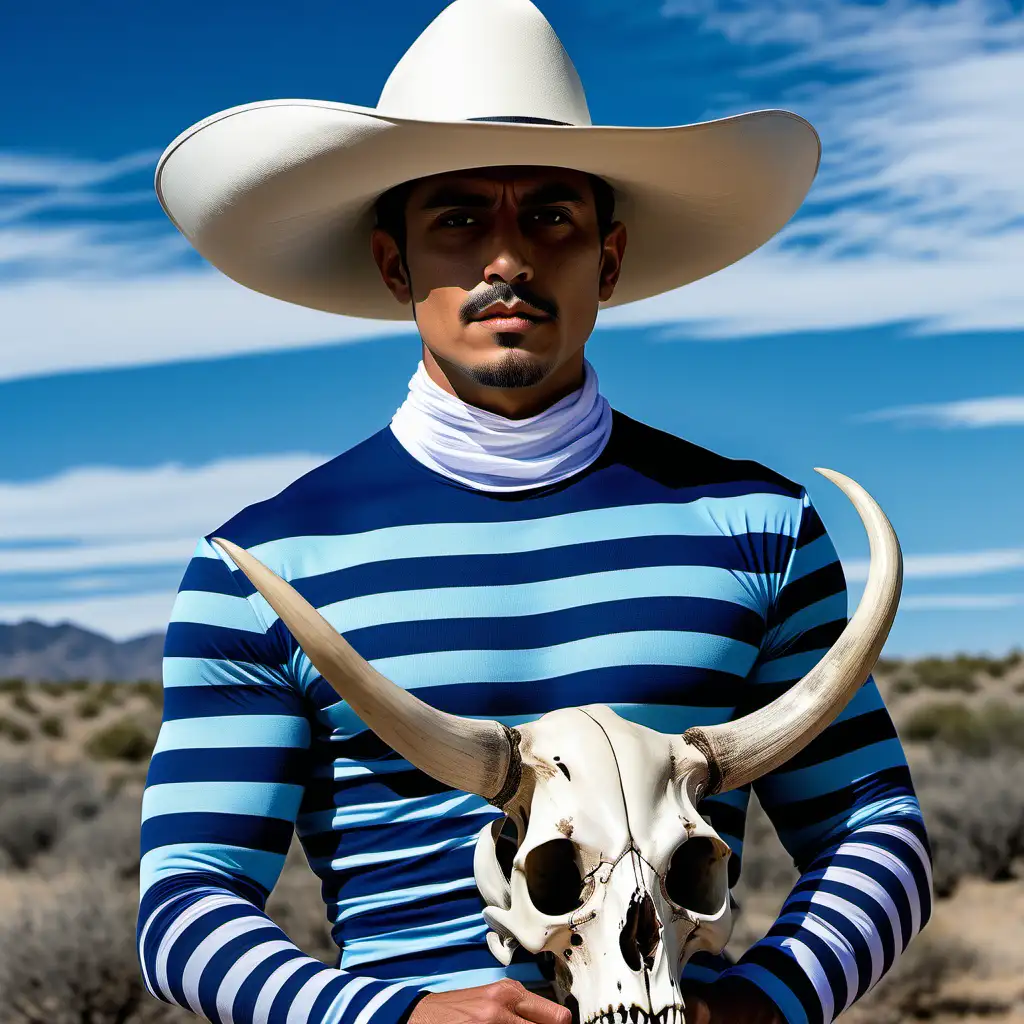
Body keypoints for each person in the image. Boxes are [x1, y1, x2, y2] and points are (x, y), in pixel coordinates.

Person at [138, 3, 933, 1024]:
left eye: (549, 215)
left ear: (606, 258)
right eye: (458, 219)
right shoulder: (260, 570)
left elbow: (876, 830)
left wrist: (759, 1007)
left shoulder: (759, 528)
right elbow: (185, 904)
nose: (505, 259)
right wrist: (398, 1019)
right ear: (395, 265)